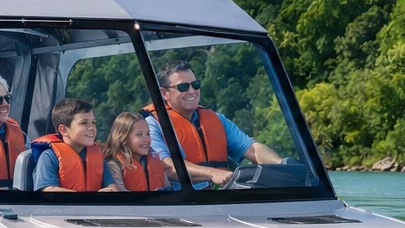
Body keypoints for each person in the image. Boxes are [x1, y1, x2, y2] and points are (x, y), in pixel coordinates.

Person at [144, 61, 283, 189]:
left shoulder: (217, 120)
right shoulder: (150, 125)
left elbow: (252, 149)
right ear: (164, 93)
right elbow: (168, 168)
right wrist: (212, 174)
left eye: (195, 85)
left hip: (222, 199)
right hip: (184, 204)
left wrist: (281, 165)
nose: (192, 91)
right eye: (183, 87)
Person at [32, 98, 119, 193]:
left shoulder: (98, 157)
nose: (92, 128)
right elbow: (48, 190)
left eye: (93, 122)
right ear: (63, 130)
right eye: (84, 123)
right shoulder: (49, 157)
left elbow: (112, 187)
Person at [101, 112, 173, 192]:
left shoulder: (155, 159)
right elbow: (120, 195)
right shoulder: (114, 164)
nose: (146, 139)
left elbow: (168, 188)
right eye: (139, 134)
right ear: (123, 139)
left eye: (148, 134)